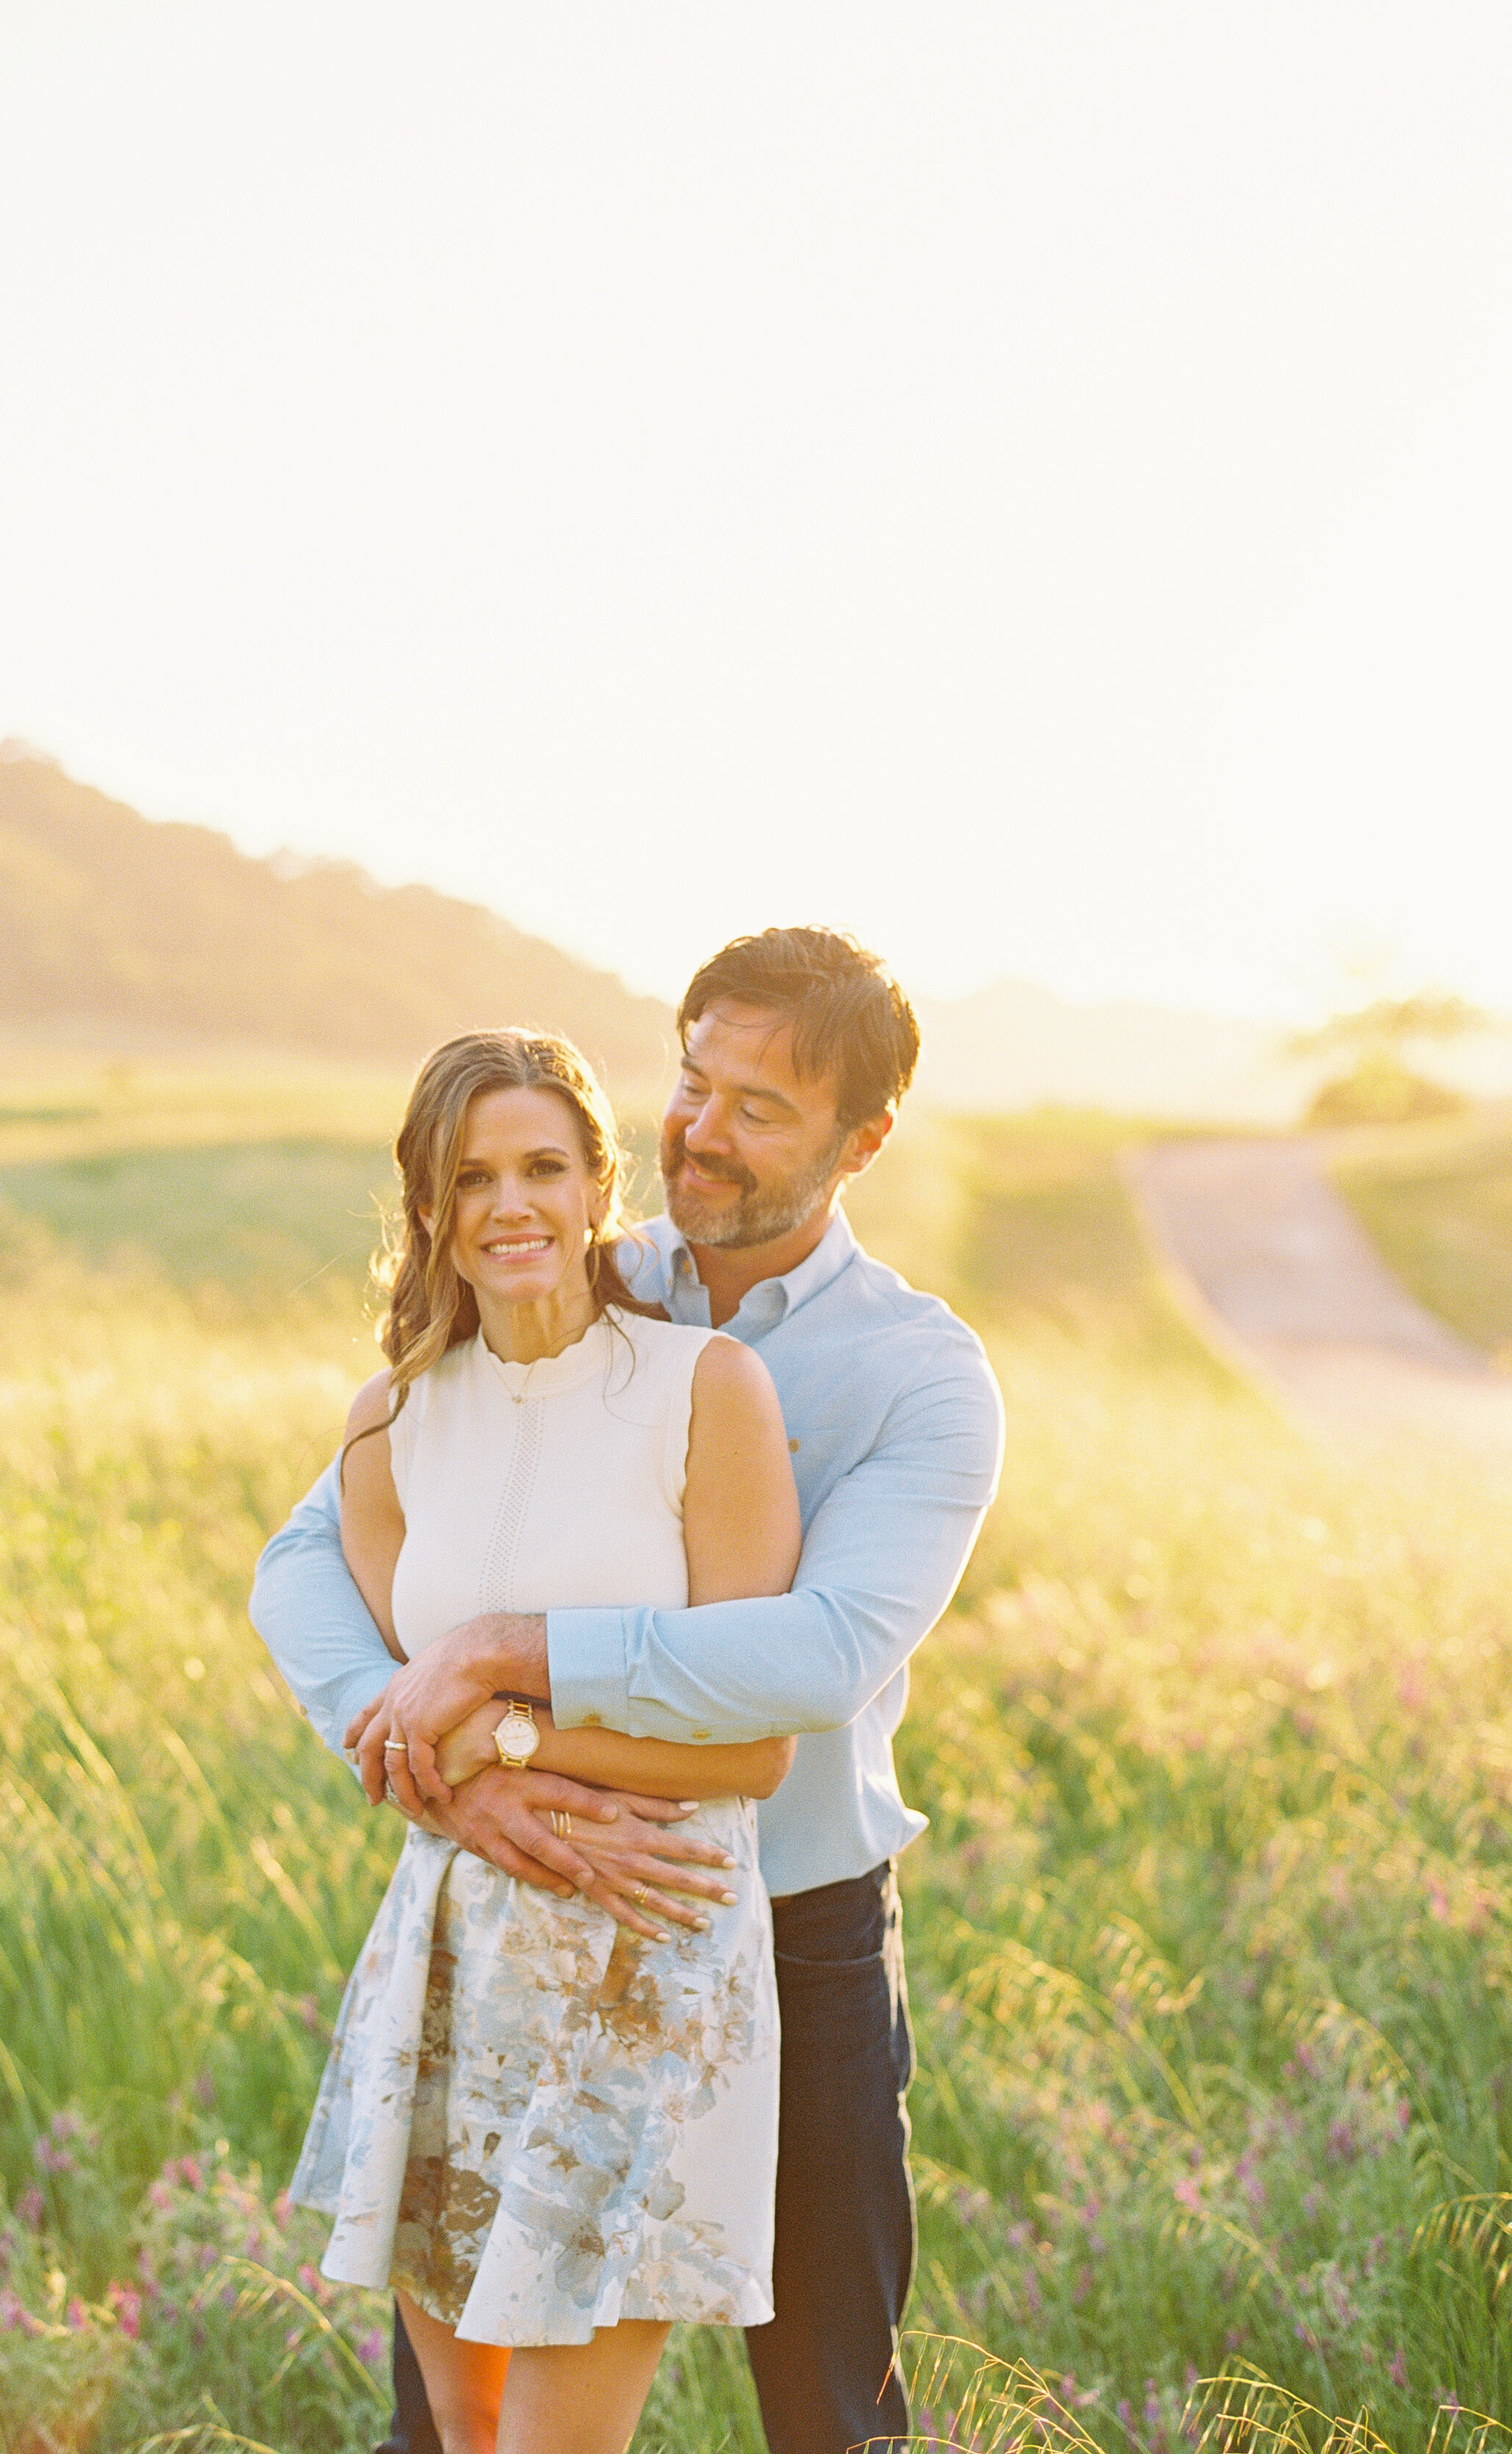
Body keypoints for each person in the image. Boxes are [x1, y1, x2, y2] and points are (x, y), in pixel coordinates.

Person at [255, 927, 1007, 2454]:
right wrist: (431, 1752)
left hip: (778, 1928)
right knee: (447, 2420)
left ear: (861, 1142)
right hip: (499, 1886)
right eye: (691, 1082)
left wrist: (497, 1658)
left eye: (758, 1108)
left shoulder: (917, 1376)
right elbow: (304, 1557)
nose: (701, 1133)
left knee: (826, 2412)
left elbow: (813, 1660)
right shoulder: (571, 1275)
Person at [286, 1026, 803, 2454]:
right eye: (470, 1178)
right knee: (466, 2436)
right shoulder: (389, 1424)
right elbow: (398, 1723)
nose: (508, 1206)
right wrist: (464, 1782)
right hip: (451, 1949)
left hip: (649, 1942)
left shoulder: (703, 1391)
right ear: (429, 1209)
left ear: (596, 1186)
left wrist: (503, 1739)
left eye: (540, 1168)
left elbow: (752, 1753)